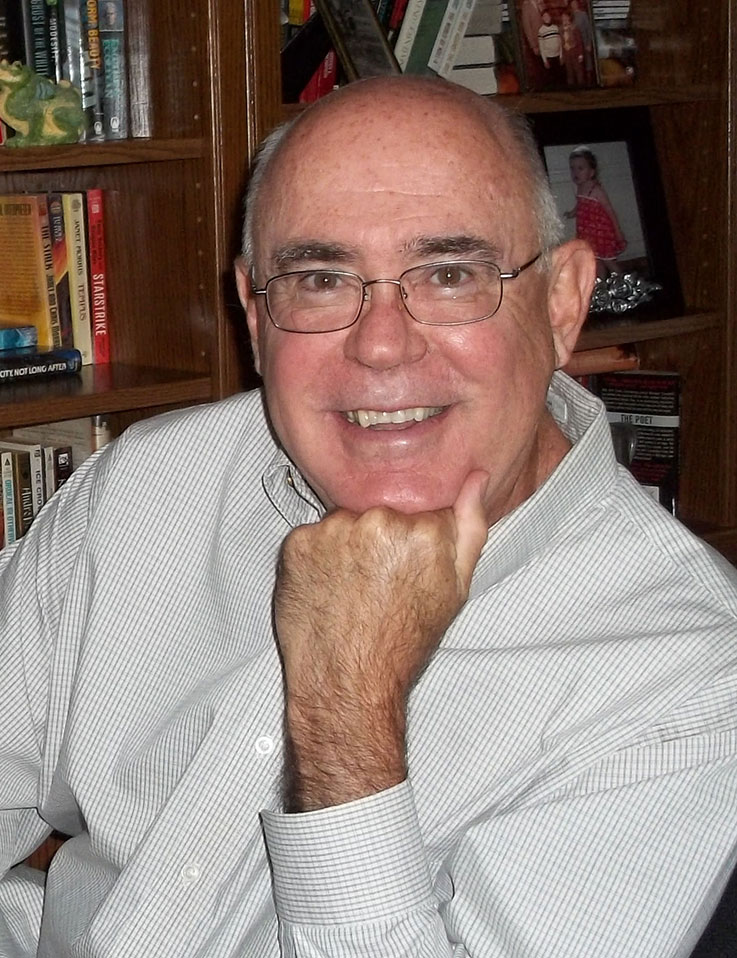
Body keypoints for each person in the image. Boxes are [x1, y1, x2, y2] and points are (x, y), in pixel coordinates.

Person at [1, 76, 736, 957]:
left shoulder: (685, 691)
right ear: (252, 308)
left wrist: (346, 703)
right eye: (319, 278)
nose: (381, 343)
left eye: (452, 274)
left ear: (562, 300)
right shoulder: (152, 487)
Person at [565, 145, 627, 278]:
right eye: (572, 168)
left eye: (580, 168)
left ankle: (624, 283)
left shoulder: (596, 190)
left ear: (591, 172)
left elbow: (609, 210)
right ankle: (602, 286)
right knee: (595, 260)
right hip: (588, 232)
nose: (575, 172)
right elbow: (580, 205)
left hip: (601, 233)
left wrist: (618, 231)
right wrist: (572, 213)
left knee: (608, 260)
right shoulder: (579, 188)